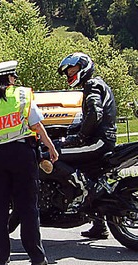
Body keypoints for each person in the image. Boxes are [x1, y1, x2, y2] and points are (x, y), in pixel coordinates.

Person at [0, 61, 58, 265]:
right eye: (14, 77)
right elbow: (36, 125)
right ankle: (36, 257)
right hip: (21, 154)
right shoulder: (21, 96)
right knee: (28, 205)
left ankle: (1, 256)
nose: (16, 80)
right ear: (9, 78)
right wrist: (51, 147)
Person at [54, 52, 116, 239]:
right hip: (104, 139)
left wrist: (80, 137)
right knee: (90, 172)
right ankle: (99, 226)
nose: (69, 75)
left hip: (98, 141)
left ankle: (86, 187)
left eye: (72, 70)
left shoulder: (92, 85)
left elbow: (95, 113)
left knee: (53, 153)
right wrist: (71, 131)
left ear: (84, 67)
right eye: (68, 72)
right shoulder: (96, 84)